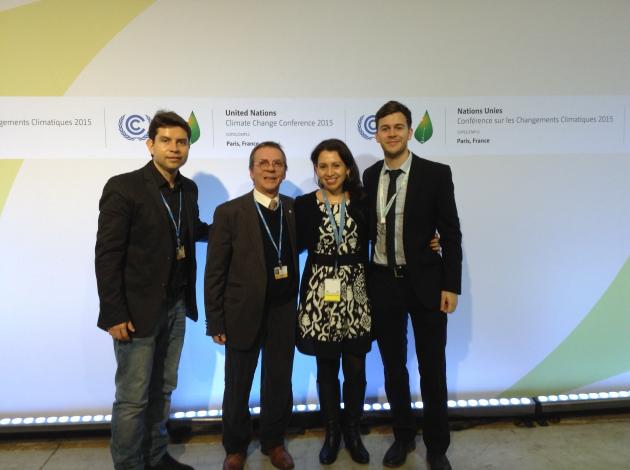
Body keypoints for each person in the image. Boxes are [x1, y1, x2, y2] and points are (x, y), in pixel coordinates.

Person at [95, 110, 209, 470]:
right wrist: (113, 313)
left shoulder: (188, 189)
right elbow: (107, 255)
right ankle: (129, 465)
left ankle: (156, 457)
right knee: (133, 399)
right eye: (166, 141)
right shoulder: (124, 187)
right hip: (136, 311)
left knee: (163, 388)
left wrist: (233, 226)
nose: (175, 148)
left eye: (181, 142)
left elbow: (192, 229)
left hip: (176, 306)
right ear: (150, 145)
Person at [363, 101, 462, 470]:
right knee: (393, 368)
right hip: (383, 282)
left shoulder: (436, 174)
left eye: (398, 127)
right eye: (385, 128)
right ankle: (403, 436)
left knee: (432, 369)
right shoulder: (369, 176)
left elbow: (450, 233)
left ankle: (437, 446)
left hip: (427, 284)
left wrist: (451, 285)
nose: (392, 134)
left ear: (409, 132)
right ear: (376, 134)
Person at [204, 142, 298, 470]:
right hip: (241, 313)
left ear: (285, 171)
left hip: (283, 311)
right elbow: (214, 271)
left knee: (279, 381)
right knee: (238, 385)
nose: (270, 169)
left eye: (277, 163)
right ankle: (235, 446)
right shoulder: (229, 213)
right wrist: (215, 320)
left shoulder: (293, 209)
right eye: (263, 163)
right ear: (251, 170)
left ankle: (274, 442)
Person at [295, 139, 372, 465]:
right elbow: (290, 243)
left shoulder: (364, 201)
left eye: (336, 165)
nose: (330, 172)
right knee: (326, 369)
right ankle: (332, 433)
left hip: (356, 293)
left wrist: (430, 240)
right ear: (316, 169)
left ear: (348, 168)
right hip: (319, 296)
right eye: (323, 166)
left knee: (356, 368)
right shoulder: (304, 205)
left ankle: (353, 431)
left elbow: (387, 236)